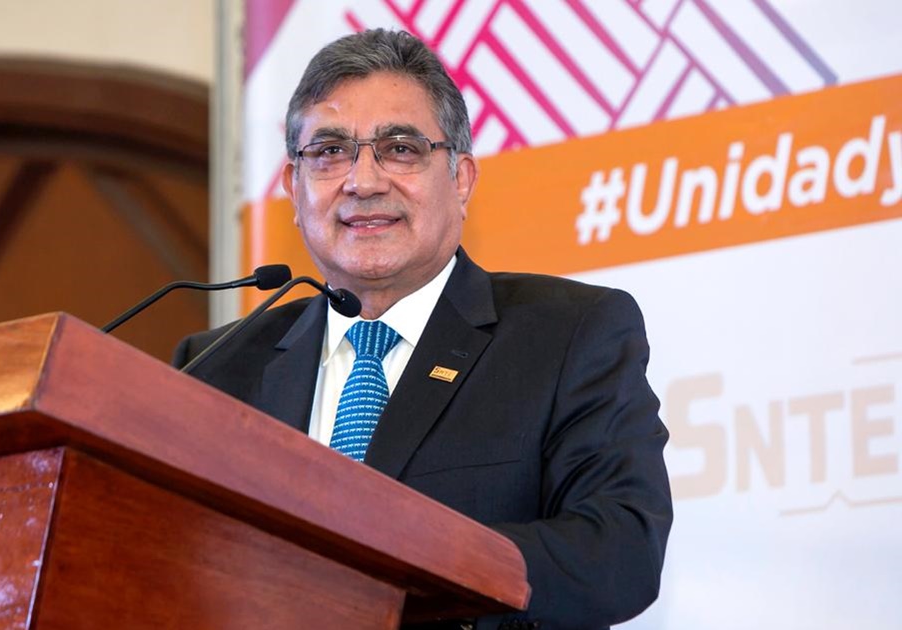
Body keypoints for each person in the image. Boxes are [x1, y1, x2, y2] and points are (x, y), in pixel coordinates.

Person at [174, 29, 672, 630]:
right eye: (329, 151)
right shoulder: (216, 366)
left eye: (400, 148)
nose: (363, 181)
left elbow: (618, 552)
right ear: (293, 188)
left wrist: (400, 562)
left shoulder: (568, 334)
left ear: (460, 179)